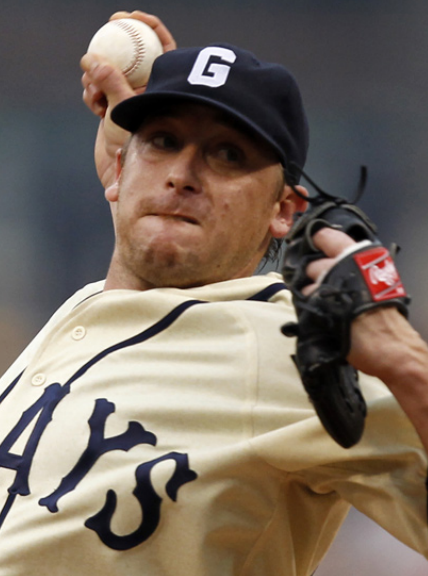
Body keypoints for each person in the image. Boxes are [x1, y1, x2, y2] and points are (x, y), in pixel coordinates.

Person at [0, 9, 427, 576]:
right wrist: (139, 192)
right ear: (118, 170)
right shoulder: (89, 306)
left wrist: (407, 363)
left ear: (284, 209)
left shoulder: (294, 347)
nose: (181, 174)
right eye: (163, 140)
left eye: (228, 154)